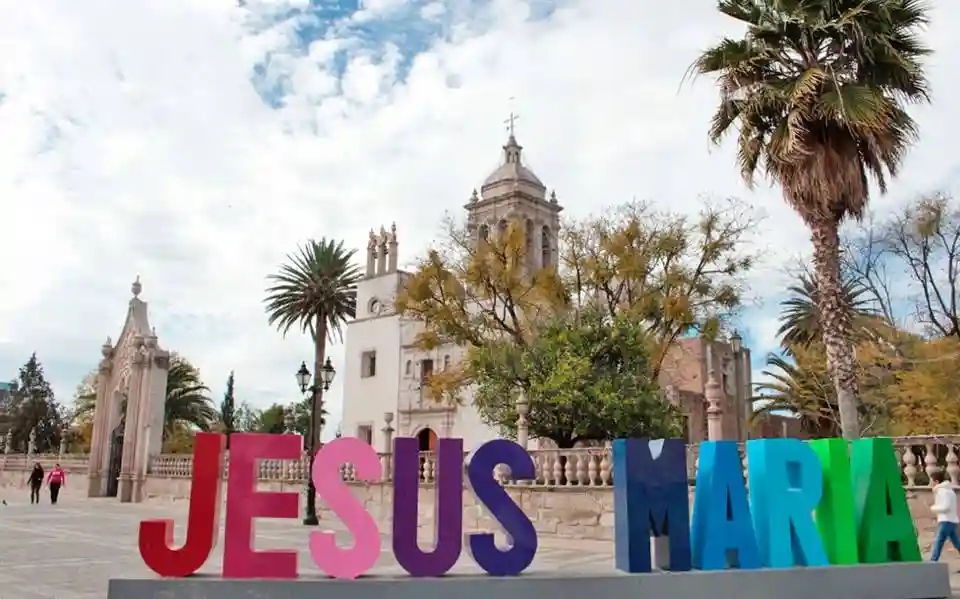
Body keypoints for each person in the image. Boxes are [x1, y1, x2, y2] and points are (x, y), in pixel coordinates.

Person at [930, 471, 960, 561]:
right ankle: (933, 560)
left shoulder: (942, 491)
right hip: (951, 520)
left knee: (939, 541)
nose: (931, 483)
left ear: (936, 481)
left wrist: (933, 508)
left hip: (946, 520)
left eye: (932, 481)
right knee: (957, 543)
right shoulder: (949, 491)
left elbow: (945, 506)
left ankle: (933, 561)